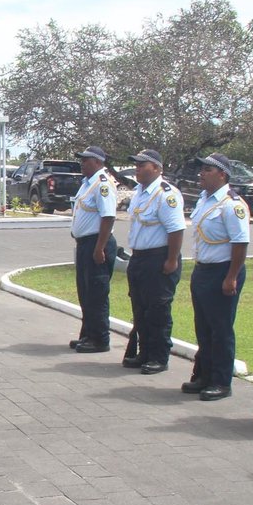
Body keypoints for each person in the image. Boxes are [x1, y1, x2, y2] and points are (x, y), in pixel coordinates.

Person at [182, 154, 249, 401]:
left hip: (223, 270)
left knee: (220, 328)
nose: (201, 173)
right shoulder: (204, 201)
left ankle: (221, 381)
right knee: (203, 327)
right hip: (204, 270)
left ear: (222, 174)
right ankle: (203, 375)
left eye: (208, 170)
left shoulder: (232, 204)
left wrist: (231, 276)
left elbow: (240, 243)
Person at [123, 149, 185, 374]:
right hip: (139, 257)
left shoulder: (166, 194)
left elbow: (176, 229)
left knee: (158, 311)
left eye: (143, 164)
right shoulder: (140, 192)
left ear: (157, 168)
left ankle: (159, 357)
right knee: (140, 309)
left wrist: (171, 260)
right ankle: (144, 353)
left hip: (159, 258)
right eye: (137, 164)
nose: (138, 168)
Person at [68, 145, 118, 353]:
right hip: (85, 244)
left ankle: (100, 339)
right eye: (81, 159)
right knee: (86, 292)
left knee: (97, 294)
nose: (82, 163)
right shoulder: (86, 183)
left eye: (86, 160)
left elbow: (108, 217)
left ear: (98, 162)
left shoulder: (102, 184)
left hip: (98, 243)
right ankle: (88, 334)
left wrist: (99, 248)